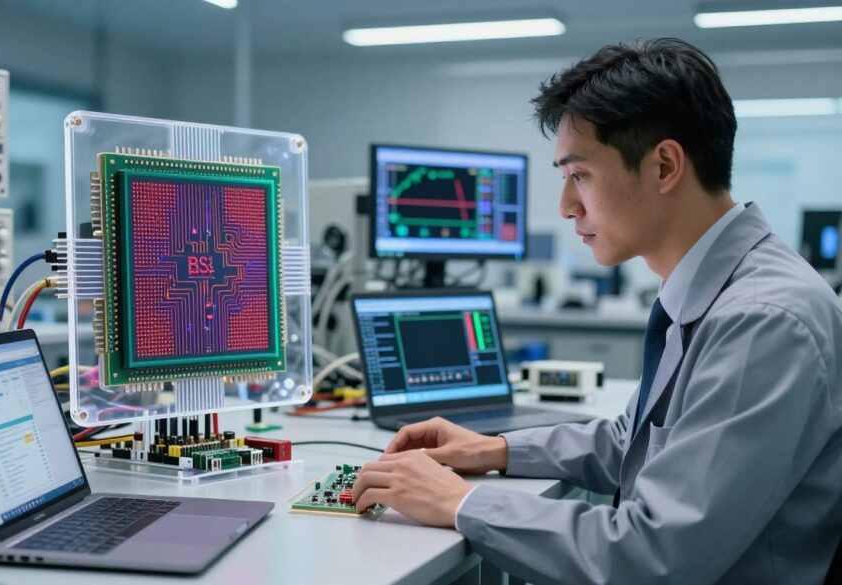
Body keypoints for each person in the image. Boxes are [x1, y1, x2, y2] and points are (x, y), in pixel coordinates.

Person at [351, 38, 842, 584]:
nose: (565, 206)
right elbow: (631, 440)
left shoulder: (760, 321)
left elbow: (652, 556)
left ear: (663, 165)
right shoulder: (717, 289)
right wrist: (493, 449)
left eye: (579, 174)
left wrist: (461, 503)